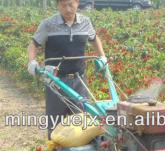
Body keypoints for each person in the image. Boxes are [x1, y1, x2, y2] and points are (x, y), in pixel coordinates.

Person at [27, 0, 107, 140]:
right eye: (64, 5)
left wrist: (102, 56)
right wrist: (32, 61)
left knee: (82, 120)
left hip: (79, 79)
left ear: (77, 3)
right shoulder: (48, 24)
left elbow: (94, 39)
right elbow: (33, 45)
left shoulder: (85, 22)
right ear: (58, 5)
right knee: (55, 120)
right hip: (56, 81)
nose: (68, 9)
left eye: (71, 4)